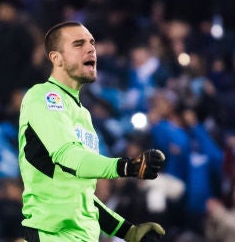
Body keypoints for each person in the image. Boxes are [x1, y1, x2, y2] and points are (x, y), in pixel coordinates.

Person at [18, 21, 166, 242]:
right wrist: (126, 166)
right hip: (51, 235)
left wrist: (128, 231)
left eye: (92, 43)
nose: (90, 49)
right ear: (56, 58)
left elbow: (82, 195)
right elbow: (68, 155)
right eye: (78, 44)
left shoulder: (83, 115)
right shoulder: (43, 96)